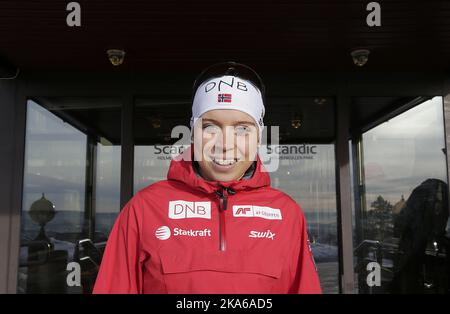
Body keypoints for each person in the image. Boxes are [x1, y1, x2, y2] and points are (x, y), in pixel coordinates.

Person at [93, 61, 322, 294]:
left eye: (243, 129)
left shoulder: (287, 214)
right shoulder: (144, 209)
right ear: (193, 133)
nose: (225, 144)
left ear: (258, 137)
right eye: (210, 127)